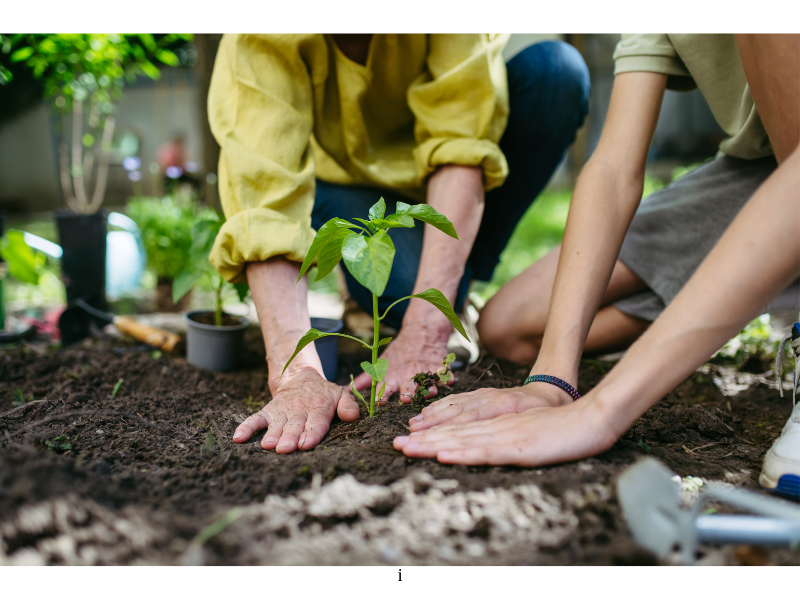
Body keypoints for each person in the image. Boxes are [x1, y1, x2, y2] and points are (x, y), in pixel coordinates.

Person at [394, 34, 800, 497]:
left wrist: (600, 412)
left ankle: (765, 283)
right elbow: (613, 168)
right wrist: (551, 382)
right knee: (509, 326)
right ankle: (754, 286)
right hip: (755, 171)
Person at [207, 35, 590, 453]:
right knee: (404, 289)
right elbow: (266, 203)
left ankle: (451, 294)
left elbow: (461, 144)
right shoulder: (259, 32)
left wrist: (426, 328)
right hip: (343, 185)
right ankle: (445, 295)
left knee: (556, 72)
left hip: (447, 187)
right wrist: (296, 373)